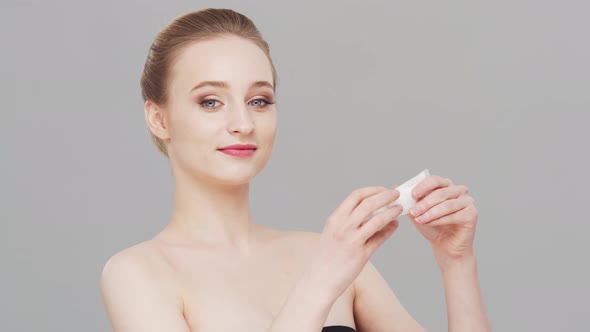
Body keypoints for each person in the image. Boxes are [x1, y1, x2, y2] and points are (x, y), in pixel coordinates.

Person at [100, 8, 491, 332]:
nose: (243, 123)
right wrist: (320, 281)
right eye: (210, 102)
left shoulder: (329, 255)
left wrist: (456, 262)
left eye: (258, 100)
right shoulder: (138, 273)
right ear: (159, 119)